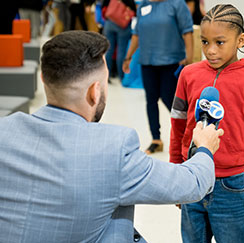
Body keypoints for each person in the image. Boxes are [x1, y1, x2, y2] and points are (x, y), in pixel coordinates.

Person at [0, 30, 224, 243]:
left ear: (43, 79)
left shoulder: (5, 130)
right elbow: (192, 184)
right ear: (94, 92)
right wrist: (204, 147)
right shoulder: (112, 148)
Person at [169, 4, 244, 243]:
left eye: (220, 42)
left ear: (240, 40)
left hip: (230, 186)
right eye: (204, 42)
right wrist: (176, 175)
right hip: (191, 179)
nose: (210, 51)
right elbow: (178, 126)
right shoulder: (188, 75)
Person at [123, 0, 193, 154]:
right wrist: (128, 57)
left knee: (170, 99)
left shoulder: (176, 4)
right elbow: (136, 35)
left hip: (172, 61)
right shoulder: (143, 6)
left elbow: (187, 32)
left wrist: (190, 59)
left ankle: (189, 132)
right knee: (151, 100)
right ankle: (156, 139)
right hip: (148, 61)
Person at [102, 0, 136, 81]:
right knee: (121, 51)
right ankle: (121, 76)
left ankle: (106, 75)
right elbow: (134, 9)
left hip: (109, 23)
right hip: (122, 25)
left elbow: (104, 5)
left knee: (109, 50)